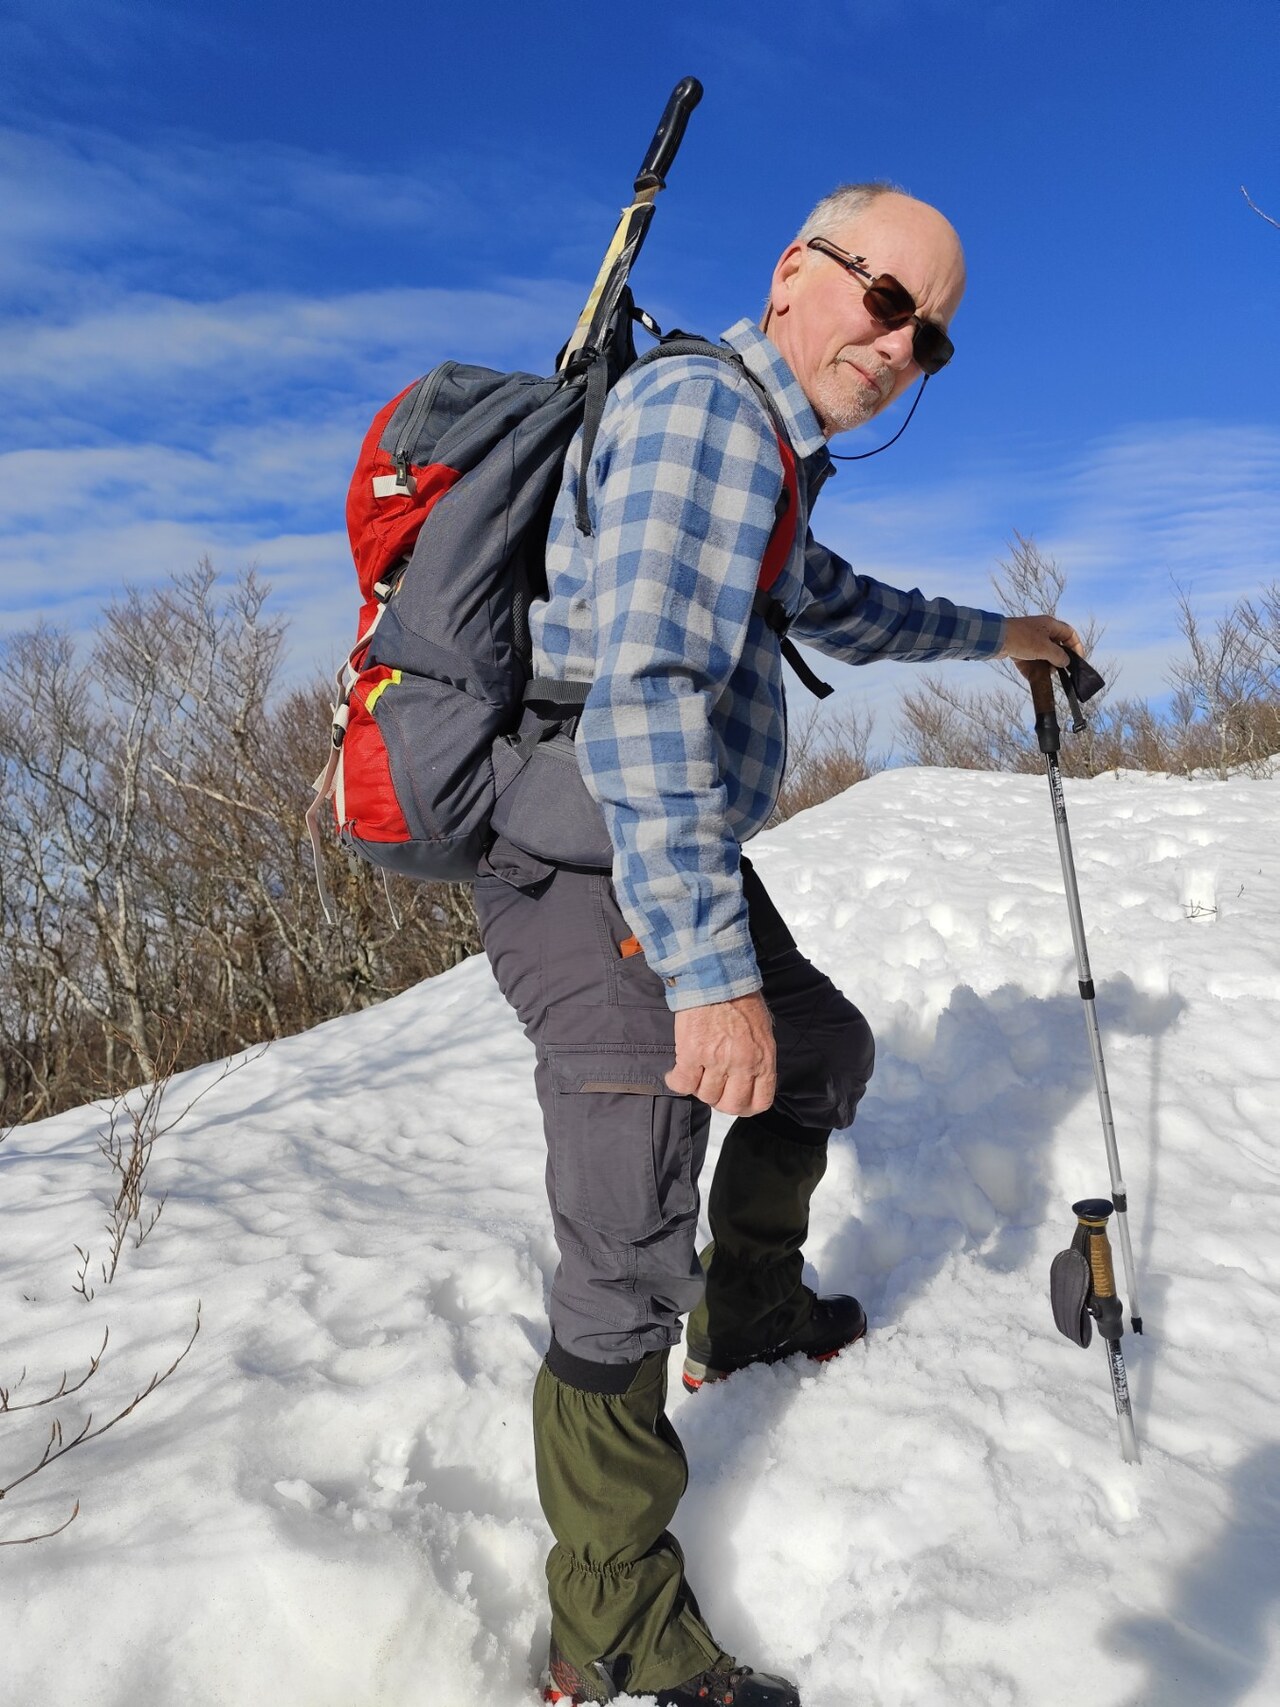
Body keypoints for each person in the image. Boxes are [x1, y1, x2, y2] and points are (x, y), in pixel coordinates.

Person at [474, 183, 1083, 1707]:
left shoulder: (766, 460)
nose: (902, 346)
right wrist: (707, 975)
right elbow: (646, 701)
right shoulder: (705, 420)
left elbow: (843, 608)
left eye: (932, 336)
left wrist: (1002, 635)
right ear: (794, 276)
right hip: (591, 854)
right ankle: (609, 1624)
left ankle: (745, 1307)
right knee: (626, 1236)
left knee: (818, 1050)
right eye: (887, 301)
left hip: (654, 843)